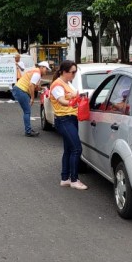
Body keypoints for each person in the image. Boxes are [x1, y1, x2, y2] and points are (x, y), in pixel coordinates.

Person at [48, 60, 87, 190]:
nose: (74, 74)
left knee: (69, 150)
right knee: (77, 149)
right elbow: (61, 101)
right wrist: (72, 102)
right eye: (72, 72)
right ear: (64, 72)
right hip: (64, 119)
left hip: (71, 118)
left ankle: (65, 178)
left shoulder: (67, 83)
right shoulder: (57, 85)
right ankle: (74, 180)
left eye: (75, 72)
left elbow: (75, 95)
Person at [12, 61, 51, 137]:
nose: (47, 71)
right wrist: (32, 98)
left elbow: (34, 86)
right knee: (27, 111)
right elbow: (31, 85)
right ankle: (28, 131)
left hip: (19, 89)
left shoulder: (35, 71)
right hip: (21, 90)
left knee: (27, 111)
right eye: (46, 69)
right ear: (42, 67)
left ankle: (28, 129)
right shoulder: (37, 73)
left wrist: (41, 88)